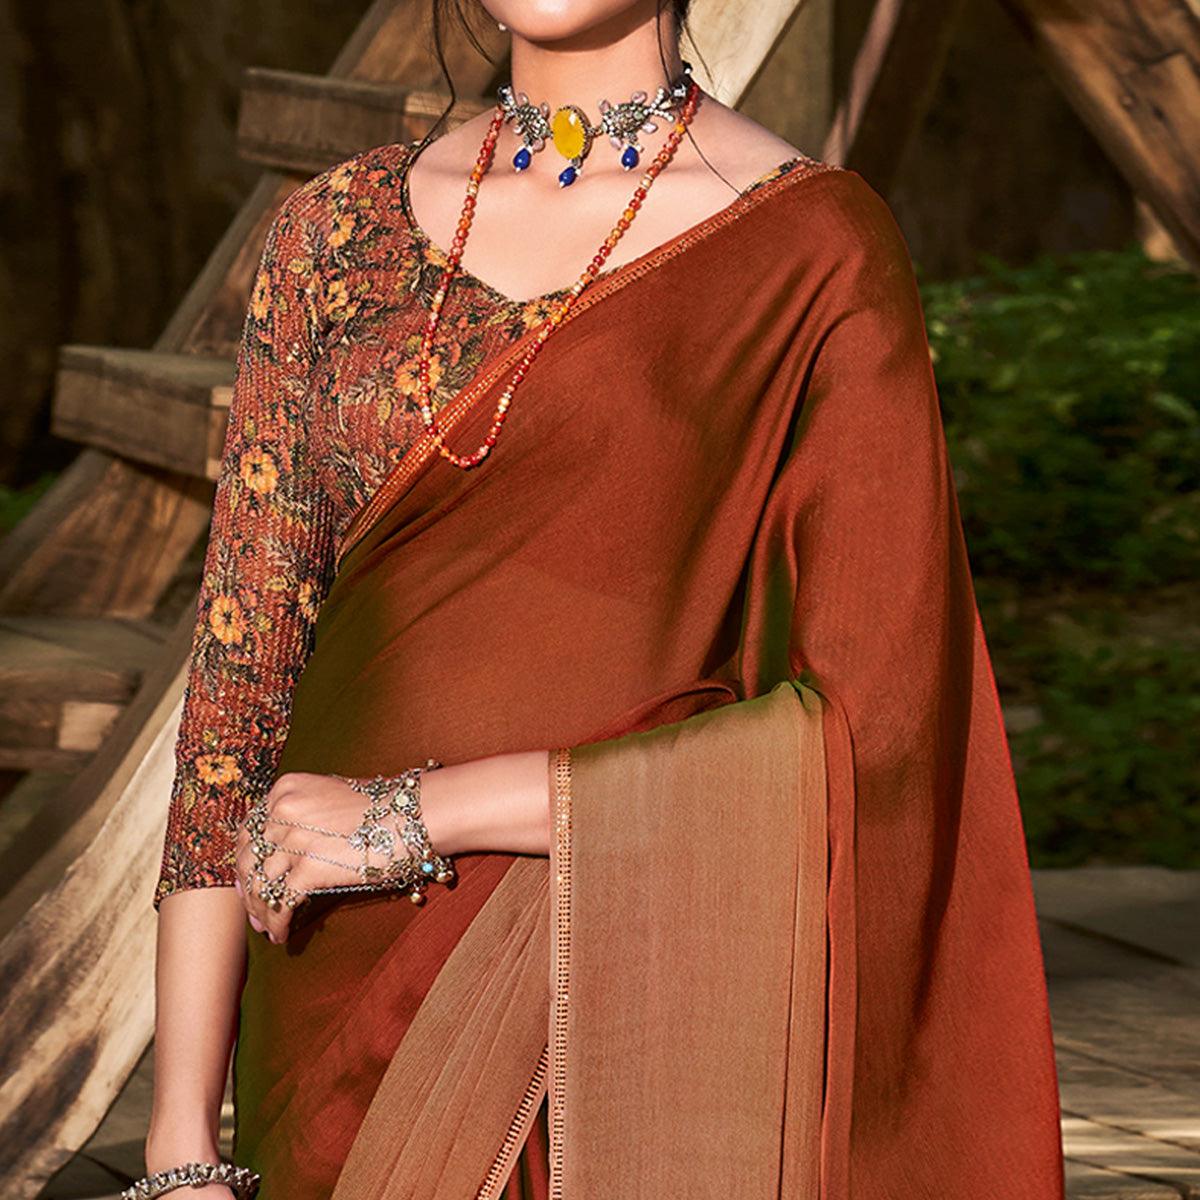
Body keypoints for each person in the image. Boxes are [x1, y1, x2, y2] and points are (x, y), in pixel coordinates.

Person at [139, 1, 1066, 1197]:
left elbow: (872, 729)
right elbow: (238, 692)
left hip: (630, 978)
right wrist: (179, 1146)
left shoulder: (809, 249)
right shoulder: (330, 233)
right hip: (331, 987)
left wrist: (420, 815)